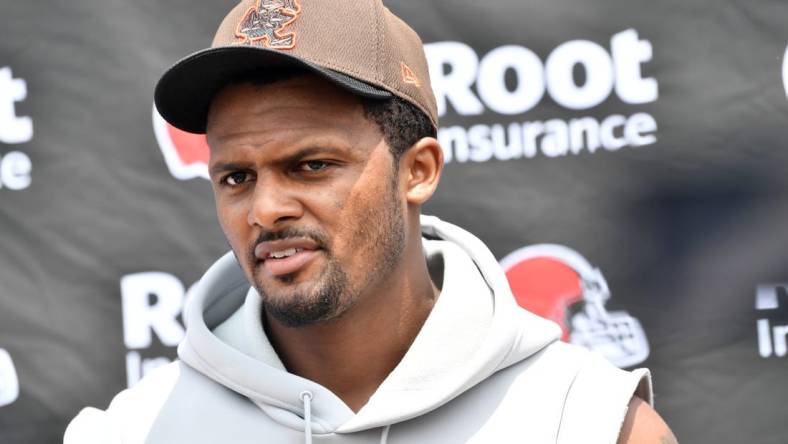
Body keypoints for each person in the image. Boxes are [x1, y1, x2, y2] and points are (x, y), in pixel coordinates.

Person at [66, 0, 676, 442]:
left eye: (311, 165)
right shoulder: (131, 432)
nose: (265, 209)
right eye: (236, 178)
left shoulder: (586, 422)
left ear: (418, 171)